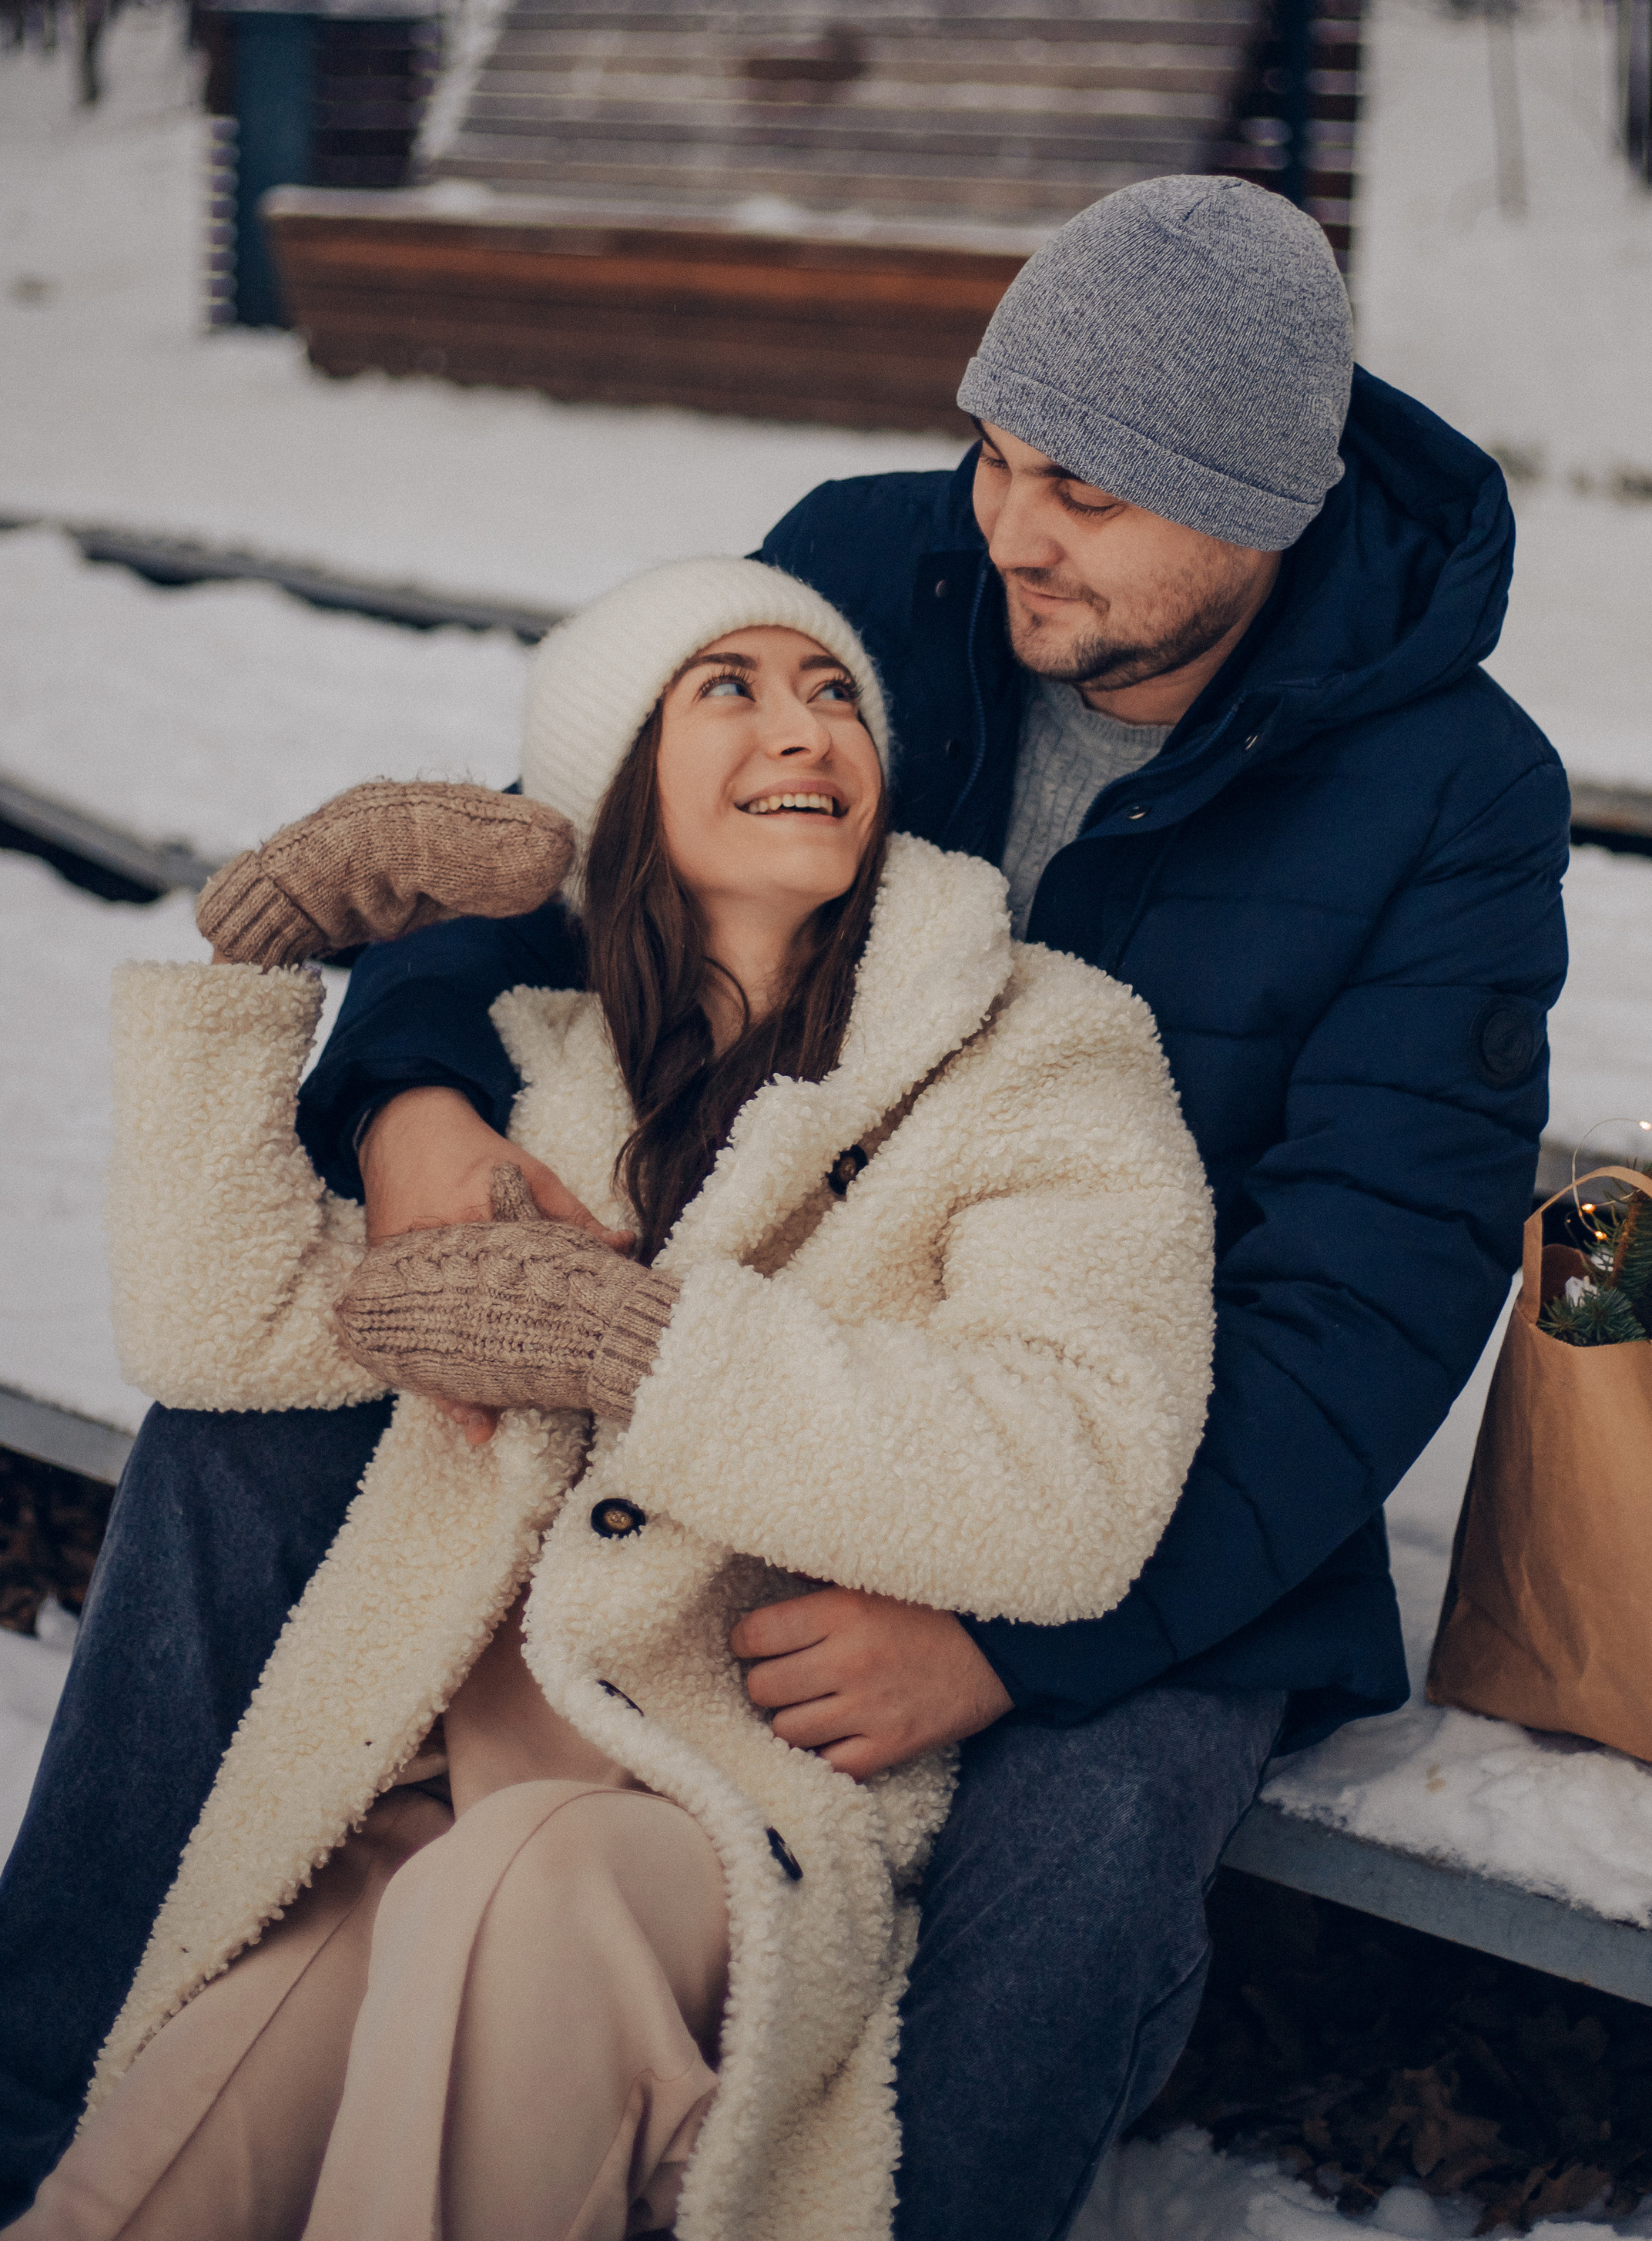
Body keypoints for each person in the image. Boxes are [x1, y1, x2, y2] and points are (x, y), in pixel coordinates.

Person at [0, 174, 1570, 2237]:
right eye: (997, 455)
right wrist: (402, 1095)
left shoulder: (1452, 794)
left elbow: (1368, 1299)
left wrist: (1014, 1641)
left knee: (1092, 1826)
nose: (1009, 527)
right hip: (719, 1319)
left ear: (1254, 510)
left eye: (1081, 494)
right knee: (244, 1437)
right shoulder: (869, 573)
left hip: (1140, 1449)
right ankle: (51, 2100)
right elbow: (560, 837)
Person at [17, 558, 1215, 2239]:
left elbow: (1075, 1476)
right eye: (725, 688)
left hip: (724, 1816)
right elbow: (230, 1337)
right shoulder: (535, 1056)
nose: (805, 725)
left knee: (512, 1895)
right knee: (155, 2162)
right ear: (612, 781)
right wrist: (251, 960)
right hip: (426, 1784)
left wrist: (640, 1348)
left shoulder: (1040, 1053)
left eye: (832, 690)